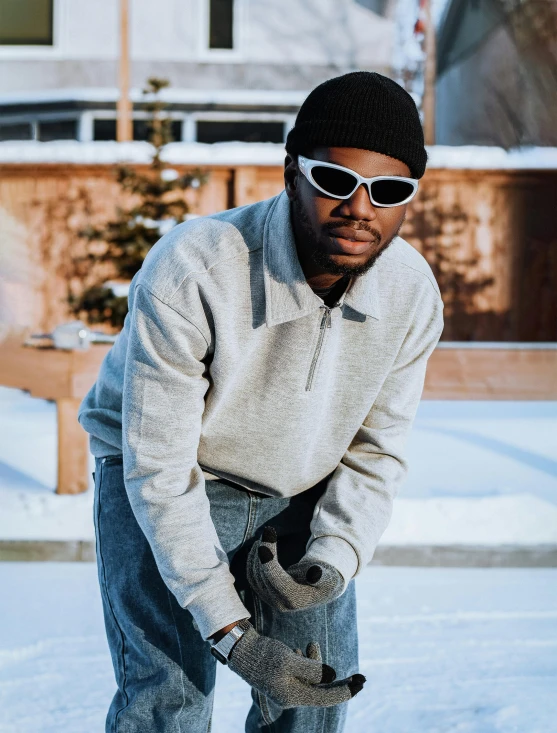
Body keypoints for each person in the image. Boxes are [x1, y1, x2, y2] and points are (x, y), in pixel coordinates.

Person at [78, 71, 444, 733]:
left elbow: (376, 453)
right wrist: (231, 635)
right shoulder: (194, 268)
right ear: (290, 173)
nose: (360, 207)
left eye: (388, 191)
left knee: (309, 692)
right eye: (335, 180)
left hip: (299, 482)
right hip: (167, 473)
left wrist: (329, 566)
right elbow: (157, 468)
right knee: (171, 696)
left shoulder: (410, 295)